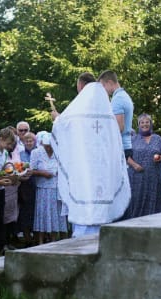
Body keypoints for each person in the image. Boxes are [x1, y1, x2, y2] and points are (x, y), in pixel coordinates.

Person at [51, 81, 131, 237]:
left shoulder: (77, 116)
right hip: (104, 173)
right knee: (103, 212)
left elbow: (62, 127)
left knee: (85, 207)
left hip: (84, 172)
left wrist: (56, 118)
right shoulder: (109, 119)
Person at [121, 114, 161, 219]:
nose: (145, 124)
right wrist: (134, 165)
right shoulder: (133, 139)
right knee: (136, 201)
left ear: (150, 124)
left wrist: (160, 157)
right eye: (142, 122)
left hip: (154, 177)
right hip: (137, 177)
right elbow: (125, 156)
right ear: (138, 125)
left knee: (154, 201)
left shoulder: (157, 138)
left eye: (147, 122)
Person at [31, 133, 67, 244]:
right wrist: (42, 173)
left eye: (50, 145)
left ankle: (54, 239)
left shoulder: (59, 151)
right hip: (43, 188)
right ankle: (41, 241)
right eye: (46, 145)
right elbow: (31, 170)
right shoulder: (36, 152)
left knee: (55, 213)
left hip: (56, 187)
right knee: (43, 213)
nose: (48, 148)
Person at [98, 70, 134, 160]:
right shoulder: (124, 95)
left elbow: (119, 127)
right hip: (126, 145)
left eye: (103, 86)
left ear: (109, 82)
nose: (102, 90)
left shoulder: (117, 99)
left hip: (120, 146)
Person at [18, 132, 37, 247]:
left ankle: (37, 237)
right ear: (23, 142)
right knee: (25, 212)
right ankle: (27, 238)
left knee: (36, 211)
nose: (29, 143)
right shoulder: (20, 154)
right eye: (27, 141)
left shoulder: (39, 153)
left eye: (31, 141)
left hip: (36, 185)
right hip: (24, 186)